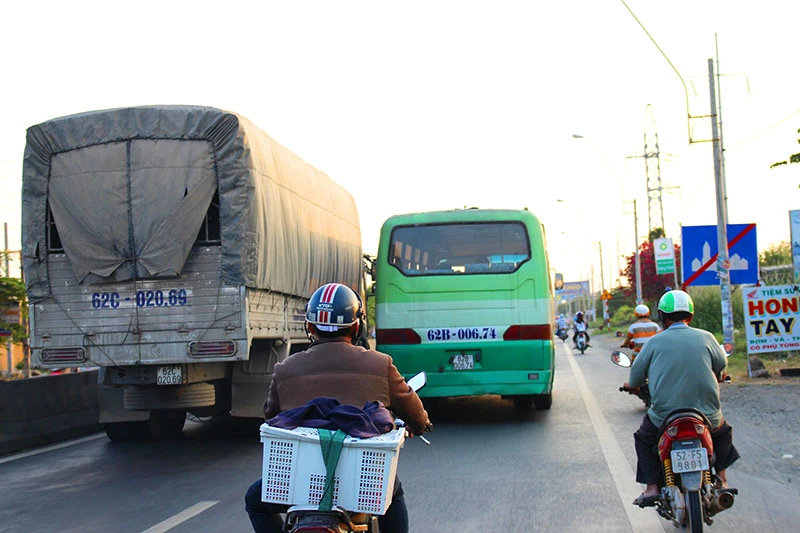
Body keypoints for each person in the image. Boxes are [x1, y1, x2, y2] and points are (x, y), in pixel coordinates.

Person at [245, 282, 431, 533]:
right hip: (362, 483)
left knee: (254, 500)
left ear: (310, 327)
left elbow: (271, 416)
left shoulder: (285, 369)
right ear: (356, 326)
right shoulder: (380, 364)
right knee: (392, 493)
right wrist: (420, 425)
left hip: (296, 484)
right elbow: (414, 411)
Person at [625, 290, 739, 506]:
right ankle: (722, 480)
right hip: (707, 415)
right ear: (691, 315)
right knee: (723, 433)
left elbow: (635, 378)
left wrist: (633, 385)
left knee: (643, 438)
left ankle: (651, 488)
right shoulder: (707, 337)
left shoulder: (653, 343)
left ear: (662, 315)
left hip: (664, 416)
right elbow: (721, 366)